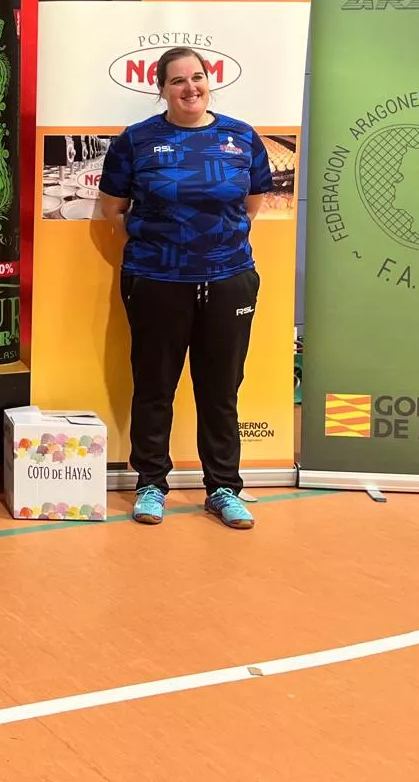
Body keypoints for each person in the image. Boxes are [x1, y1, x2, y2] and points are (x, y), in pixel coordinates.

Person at [97, 46, 271, 531]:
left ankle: (223, 488)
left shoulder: (240, 136)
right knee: (155, 387)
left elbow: (251, 204)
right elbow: (113, 209)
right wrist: (160, 243)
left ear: (209, 80)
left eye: (197, 77)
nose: (190, 87)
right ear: (162, 88)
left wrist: (211, 247)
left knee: (220, 391)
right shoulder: (138, 141)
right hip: (157, 280)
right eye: (178, 80)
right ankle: (151, 483)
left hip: (228, 279)